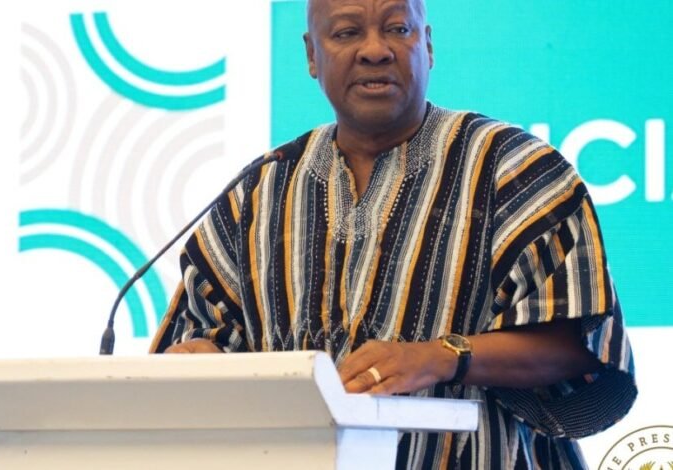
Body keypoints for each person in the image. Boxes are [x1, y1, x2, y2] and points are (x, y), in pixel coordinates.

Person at [150, 0, 637, 467]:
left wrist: (442, 357)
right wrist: (199, 360)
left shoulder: (514, 170)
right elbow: (201, 343)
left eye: (397, 29)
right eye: (346, 32)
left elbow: (579, 347)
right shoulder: (256, 193)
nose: (375, 50)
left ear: (428, 45)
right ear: (312, 55)